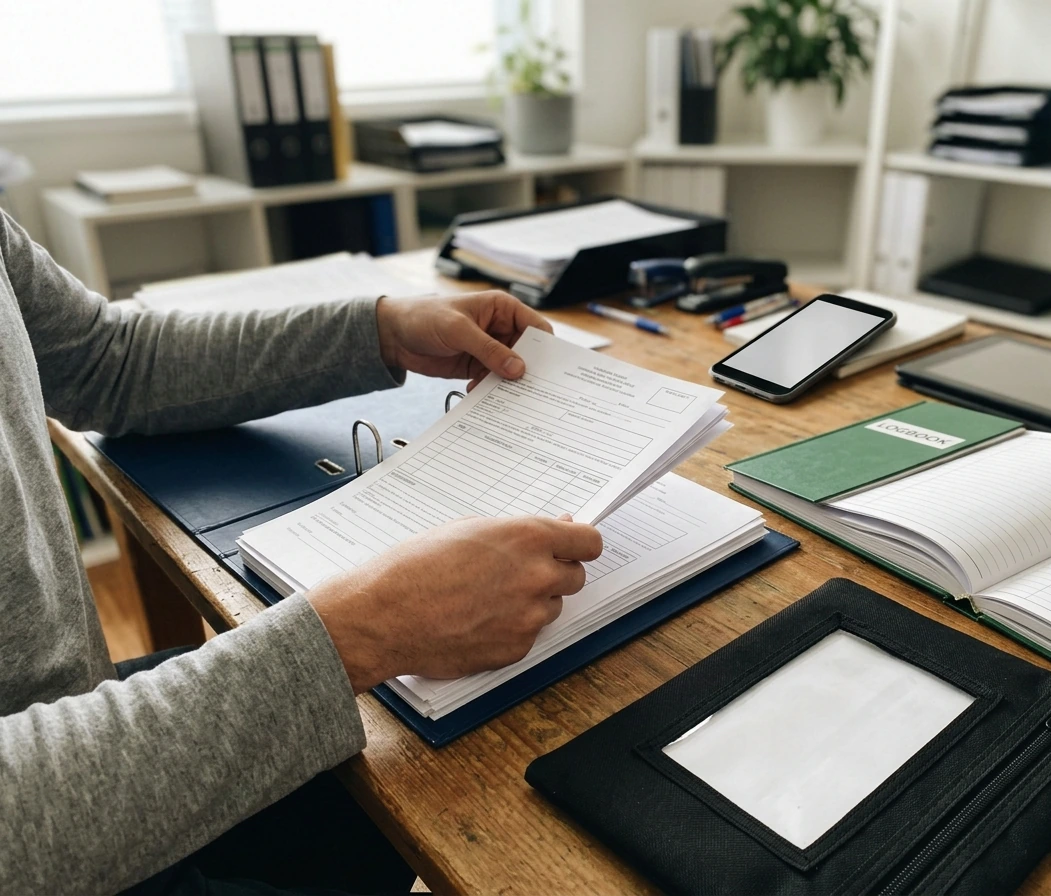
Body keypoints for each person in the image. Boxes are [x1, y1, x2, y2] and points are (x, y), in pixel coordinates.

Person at [0, 208, 604, 895]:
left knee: (408, 765)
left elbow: (107, 359)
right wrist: (366, 629)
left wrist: (379, 332)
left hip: (77, 725)